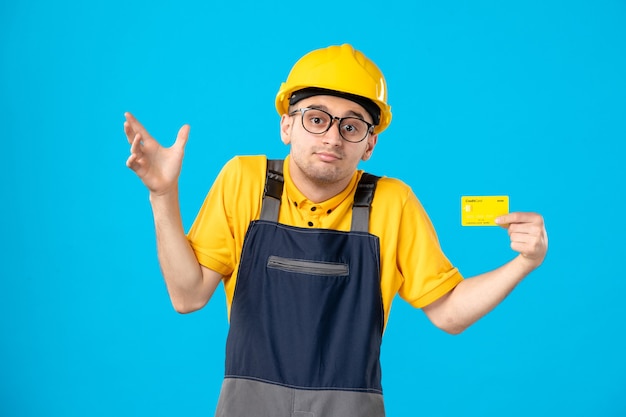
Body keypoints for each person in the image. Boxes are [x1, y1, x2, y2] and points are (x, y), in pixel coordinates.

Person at [124, 44, 548, 417]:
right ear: (287, 126)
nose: (332, 137)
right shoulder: (244, 180)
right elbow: (187, 295)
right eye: (316, 118)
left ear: (369, 144)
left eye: (351, 125)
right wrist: (163, 194)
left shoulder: (392, 202)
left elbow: (449, 312)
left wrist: (524, 263)